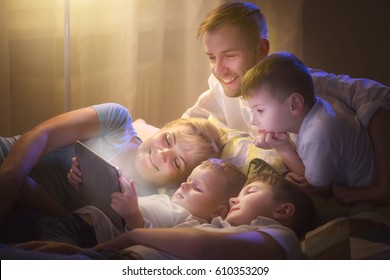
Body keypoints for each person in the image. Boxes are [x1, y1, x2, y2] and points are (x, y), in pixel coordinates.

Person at [182, 2, 390, 205]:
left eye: (229, 55)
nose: (219, 70)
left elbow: (380, 98)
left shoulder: (305, 87)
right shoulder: (222, 86)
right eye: (211, 57)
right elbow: (186, 125)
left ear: (262, 49)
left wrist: (382, 186)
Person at [0, 103, 226, 227]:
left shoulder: (146, 204)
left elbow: (78, 223)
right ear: (164, 129)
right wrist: (11, 178)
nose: (162, 154)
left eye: (177, 162)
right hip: (8, 161)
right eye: (167, 139)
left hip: (30, 207)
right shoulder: (118, 122)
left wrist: (30, 192)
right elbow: (42, 135)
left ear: (179, 181)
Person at [0, 172, 317, 260]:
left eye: (248, 193)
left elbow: (201, 248)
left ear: (282, 211)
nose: (236, 197)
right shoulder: (221, 227)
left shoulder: (281, 238)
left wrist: (135, 233)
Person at [241, 52, 375, 198]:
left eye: (260, 110)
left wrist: (282, 148)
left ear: (295, 104)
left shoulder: (318, 134)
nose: (253, 120)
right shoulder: (315, 109)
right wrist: (283, 145)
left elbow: (318, 188)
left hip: (365, 184)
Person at [40, 158, 246, 247]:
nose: (184, 186)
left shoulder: (192, 224)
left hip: (86, 235)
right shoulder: (164, 198)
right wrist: (84, 182)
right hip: (71, 220)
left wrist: (133, 216)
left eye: (197, 188)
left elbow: (153, 240)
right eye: (187, 181)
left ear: (218, 212)